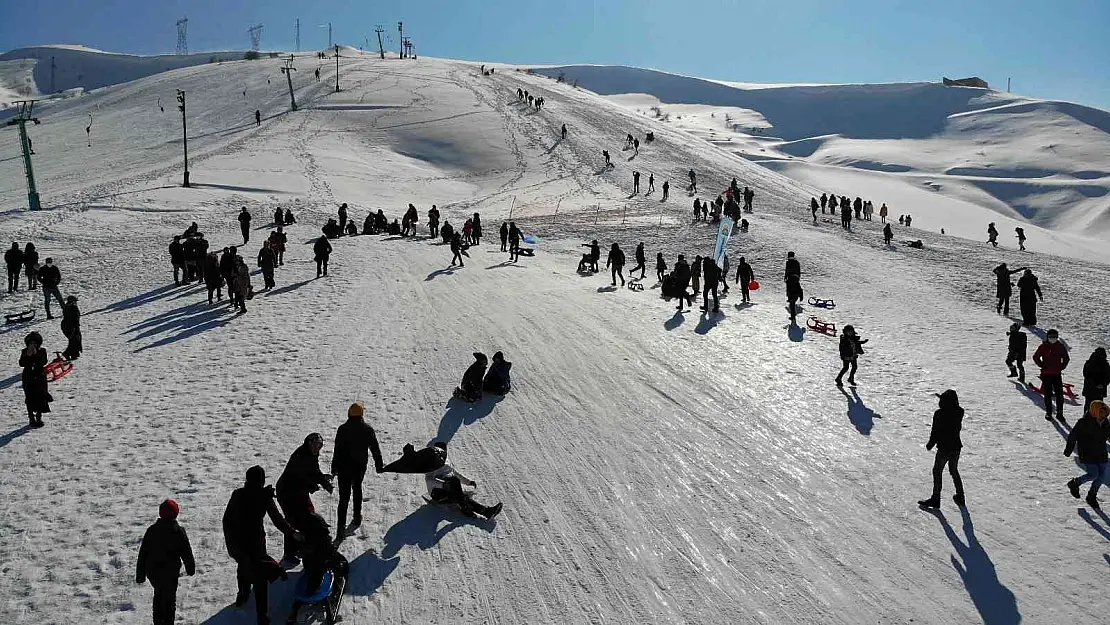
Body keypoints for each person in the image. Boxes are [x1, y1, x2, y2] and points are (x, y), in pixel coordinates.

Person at [223, 466, 296, 625]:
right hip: (255, 544)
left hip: (238, 544)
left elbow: (226, 520)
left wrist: (231, 543)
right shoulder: (264, 497)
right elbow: (277, 520)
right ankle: (261, 616)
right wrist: (292, 532)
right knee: (259, 579)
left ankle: (242, 595)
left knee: (243, 568)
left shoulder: (238, 494)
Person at [276, 433, 334, 567]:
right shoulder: (300, 457)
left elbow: (314, 470)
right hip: (287, 493)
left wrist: (323, 481)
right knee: (293, 520)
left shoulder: (310, 455)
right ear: (308, 443)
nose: (317, 448)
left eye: (320, 446)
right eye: (315, 445)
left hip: (299, 491)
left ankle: (303, 546)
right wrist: (315, 484)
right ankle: (289, 553)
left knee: (307, 515)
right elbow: (303, 477)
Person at [136, 500, 195, 625]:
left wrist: (140, 574)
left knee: (158, 595)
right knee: (169, 600)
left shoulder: (152, 530)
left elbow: (143, 553)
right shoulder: (178, 531)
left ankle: (158, 621)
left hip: (153, 572)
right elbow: (186, 552)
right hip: (170, 573)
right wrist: (190, 568)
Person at [285, 512, 349, 623]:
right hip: (321, 566)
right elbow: (330, 554)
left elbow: (296, 551)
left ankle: (311, 588)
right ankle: (330, 592)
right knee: (338, 567)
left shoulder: (302, 538)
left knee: (315, 566)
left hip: (310, 565)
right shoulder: (322, 540)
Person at [332, 402, 384, 530]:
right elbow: (375, 449)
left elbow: (337, 450)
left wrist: (334, 468)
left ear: (349, 413)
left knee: (343, 497)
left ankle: (340, 527)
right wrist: (379, 465)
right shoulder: (367, 429)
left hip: (343, 468)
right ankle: (356, 516)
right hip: (359, 467)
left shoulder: (342, 429)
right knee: (357, 488)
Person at [425, 442, 503, 519]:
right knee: (460, 493)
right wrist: (443, 484)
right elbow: (429, 481)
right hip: (438, 494)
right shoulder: (432, 464)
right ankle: (481, 511)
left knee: (460, 493)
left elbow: (455, 473)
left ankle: (475, 510)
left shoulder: (446, 461)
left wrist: (468, 482)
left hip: (450, 488)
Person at [917, 390, 966, 509]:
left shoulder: (939, 414)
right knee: (954, 470)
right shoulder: (959, 412)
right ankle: (960, 496)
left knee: (937, 471)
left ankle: (936, 498)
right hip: (956, 447)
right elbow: (954, 406)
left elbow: (935, 432)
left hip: (944, 448)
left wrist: (930, 444)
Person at [1065, 400, 1110, 509]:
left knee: (1101, 477)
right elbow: (1073, 435)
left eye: (1105, 412)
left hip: (1101, 453)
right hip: (1087, 453)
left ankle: (1091, 496)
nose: (1104, 415)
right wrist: (1068, 449)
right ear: (1095, 411)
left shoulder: (1105, 423)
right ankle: (1075, 483)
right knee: (1093, 474)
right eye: (1101, 412)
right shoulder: (1083, 422)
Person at [1033, 328, 1070, 422]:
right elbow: (1036, 357)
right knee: (1048, 394)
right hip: (1046, 374)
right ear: (1047, 337)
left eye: (1055, 337)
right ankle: (1049, 413)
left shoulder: (1060, 346)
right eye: (1051, 337)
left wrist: (1061, 367)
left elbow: (1066, 358)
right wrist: (1042, 365)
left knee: (1059, 395)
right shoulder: (1043, 346)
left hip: (1057, 374)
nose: (1053, 339)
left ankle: (1060, 413)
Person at [20, 331, 50, 428]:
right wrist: (28, 355)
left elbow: (43, 361)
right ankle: (31, 418)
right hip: (28, 378)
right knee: (29, 398)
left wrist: (35, 354)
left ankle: (38, 417)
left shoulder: (42, 351)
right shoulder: (24, 351)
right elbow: (21, 363)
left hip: (40, 377)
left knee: (41, 397)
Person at [1082, 348, 1110, 417]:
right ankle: (1091, 419)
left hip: (1092, 390)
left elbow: (1108, 377)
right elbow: (1087, 375)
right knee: (1094, 406)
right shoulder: (1091, 363)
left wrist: (1102, 384)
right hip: (1095, 390)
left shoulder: (1089, 363)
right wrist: (1100, 384)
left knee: (1091, 405)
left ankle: (1089, 419)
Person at [60, 296, 81, 360]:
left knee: (74, 340)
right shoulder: (72, 308)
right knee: (74, 339)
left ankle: (73, 354)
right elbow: (74, 319)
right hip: (70, 327)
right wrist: (75, 328)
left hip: (68, 326)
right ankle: (69, 353)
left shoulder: (67, 307)